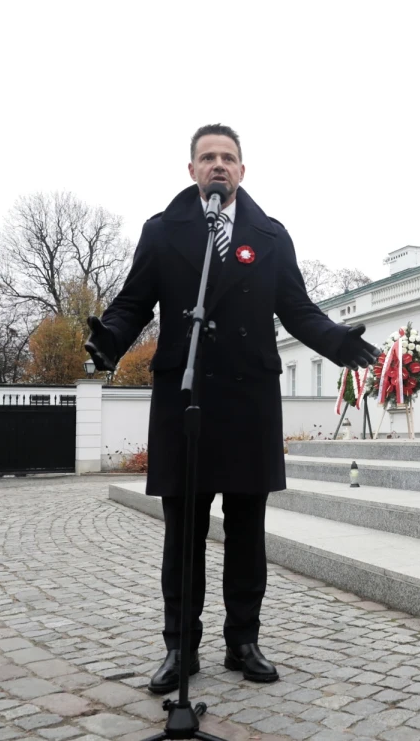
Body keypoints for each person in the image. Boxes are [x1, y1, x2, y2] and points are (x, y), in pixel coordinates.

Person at [84, 124, 380, 694]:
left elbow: (297, 308)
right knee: (184, 533)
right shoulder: (162, 231)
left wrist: (335, 341)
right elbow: (134, 301)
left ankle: (243, 640)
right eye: (207, 157)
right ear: (191, 170)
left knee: (247, 530)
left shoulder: (270, 235)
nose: (218, 165)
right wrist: (109, 340)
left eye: (228, 157)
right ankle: (180, 647)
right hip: (186, 395)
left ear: (243, 170)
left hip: (248, 398)